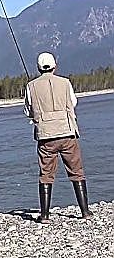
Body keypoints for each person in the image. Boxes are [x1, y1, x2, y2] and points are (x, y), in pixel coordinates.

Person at [24, 52, 93, 224]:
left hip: (46, 137)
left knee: (46, 174)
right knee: (76, 171)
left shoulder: (31, 86)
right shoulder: (65, 83)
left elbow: (28, 111)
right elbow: (73, 102)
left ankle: (45, 215)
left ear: (39, 68)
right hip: (68, 133)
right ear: (55, 66)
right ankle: (85, 211)